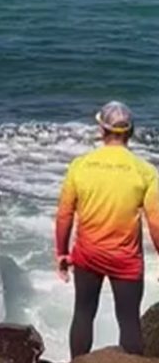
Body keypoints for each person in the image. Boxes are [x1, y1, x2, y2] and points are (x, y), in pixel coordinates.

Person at [55, 101, 159, 359]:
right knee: (129, 320)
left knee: (83, 313)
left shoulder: (80, 165)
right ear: (130, 132)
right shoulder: (145, 172)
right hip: (125, 261)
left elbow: (65, 214)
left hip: (88, 255)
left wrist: (62, 253)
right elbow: (156, 222)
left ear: (102, 130)